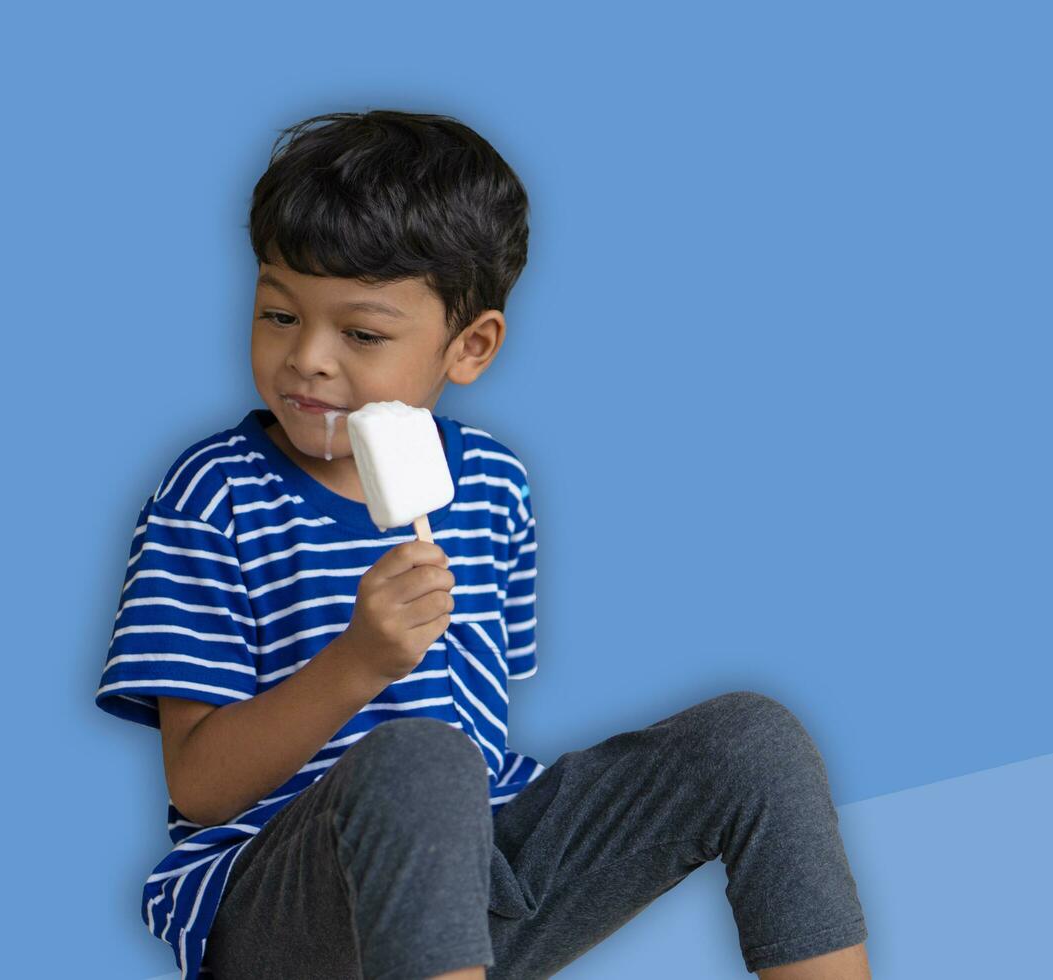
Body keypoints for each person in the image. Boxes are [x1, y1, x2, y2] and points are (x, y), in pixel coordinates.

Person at [94, 109, 870, 980]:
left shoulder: (494, 485)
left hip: (477, 883)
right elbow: (197, 788)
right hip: (281, 907)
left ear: (470, 347)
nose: (306, 359)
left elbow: (485, 732)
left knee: (749, 739)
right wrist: (358, 662)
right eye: (278, 314)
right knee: (421, 755)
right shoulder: (212, 495)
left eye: (361, 333)